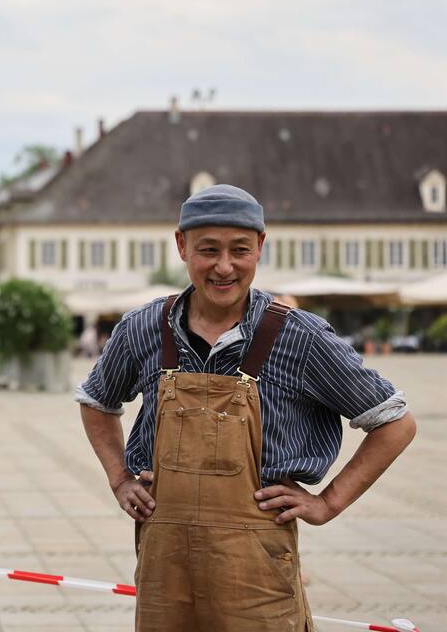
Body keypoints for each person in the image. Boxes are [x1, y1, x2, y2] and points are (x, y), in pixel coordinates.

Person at [76, 184, 416, 631]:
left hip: (257, 567)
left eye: (239, 250)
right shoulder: (143, 328)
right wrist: (119, 478)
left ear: (260, 246)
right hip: (165, 562)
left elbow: (395, 422)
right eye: (208, 250)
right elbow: (97, 400)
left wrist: (328, 503)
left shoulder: (300, 337)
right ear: (182, 246)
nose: (224, 266)